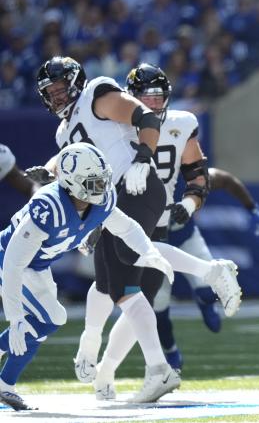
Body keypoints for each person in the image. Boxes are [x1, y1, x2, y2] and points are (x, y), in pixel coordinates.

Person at [35, 56, 238, 402]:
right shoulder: (63, 129)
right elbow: (72, 158)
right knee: (118, 285)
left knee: (128, 267)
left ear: (74, 83)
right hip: (111, 201)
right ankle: (133, 365)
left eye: (58, 89)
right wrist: (49, 171)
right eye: (49, 93)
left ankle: (154, 365)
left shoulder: (97, 93)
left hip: (137, 186)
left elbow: (142, 116)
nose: (55, 98)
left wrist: (143, 160)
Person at [90, 64, 245, 398]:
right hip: (131, 210)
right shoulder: (115, 126)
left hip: (145, 212)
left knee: (124, 294)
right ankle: (104, 374)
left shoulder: (179, 123)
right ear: (129, 98)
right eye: (144, 97)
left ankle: (117, 369)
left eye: (158, 97)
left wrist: (188, 205)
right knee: (133, 301)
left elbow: (198, 176)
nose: (153, 103)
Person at [0, 143, 173, 411]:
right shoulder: (49, 207)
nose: (102, 188)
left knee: (53, 318)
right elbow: (13, 263)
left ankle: (4, 384)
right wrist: (15, 316)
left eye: (103, 180)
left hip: (37, 264)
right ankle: (5, 384)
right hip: (9, 260)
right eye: (93, 182)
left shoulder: (101, 201)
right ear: (71, 183)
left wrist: (149, 252)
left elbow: (127, 227)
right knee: (40, 320)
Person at [156, 166, 259, 371]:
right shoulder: (139, 182)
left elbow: (225, 179)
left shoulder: (187, 179)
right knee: (158, 308)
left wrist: (251, 207)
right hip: (154, 250)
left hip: (186, 238)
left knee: (207, 284)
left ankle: (205, 299)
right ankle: (171, 351)